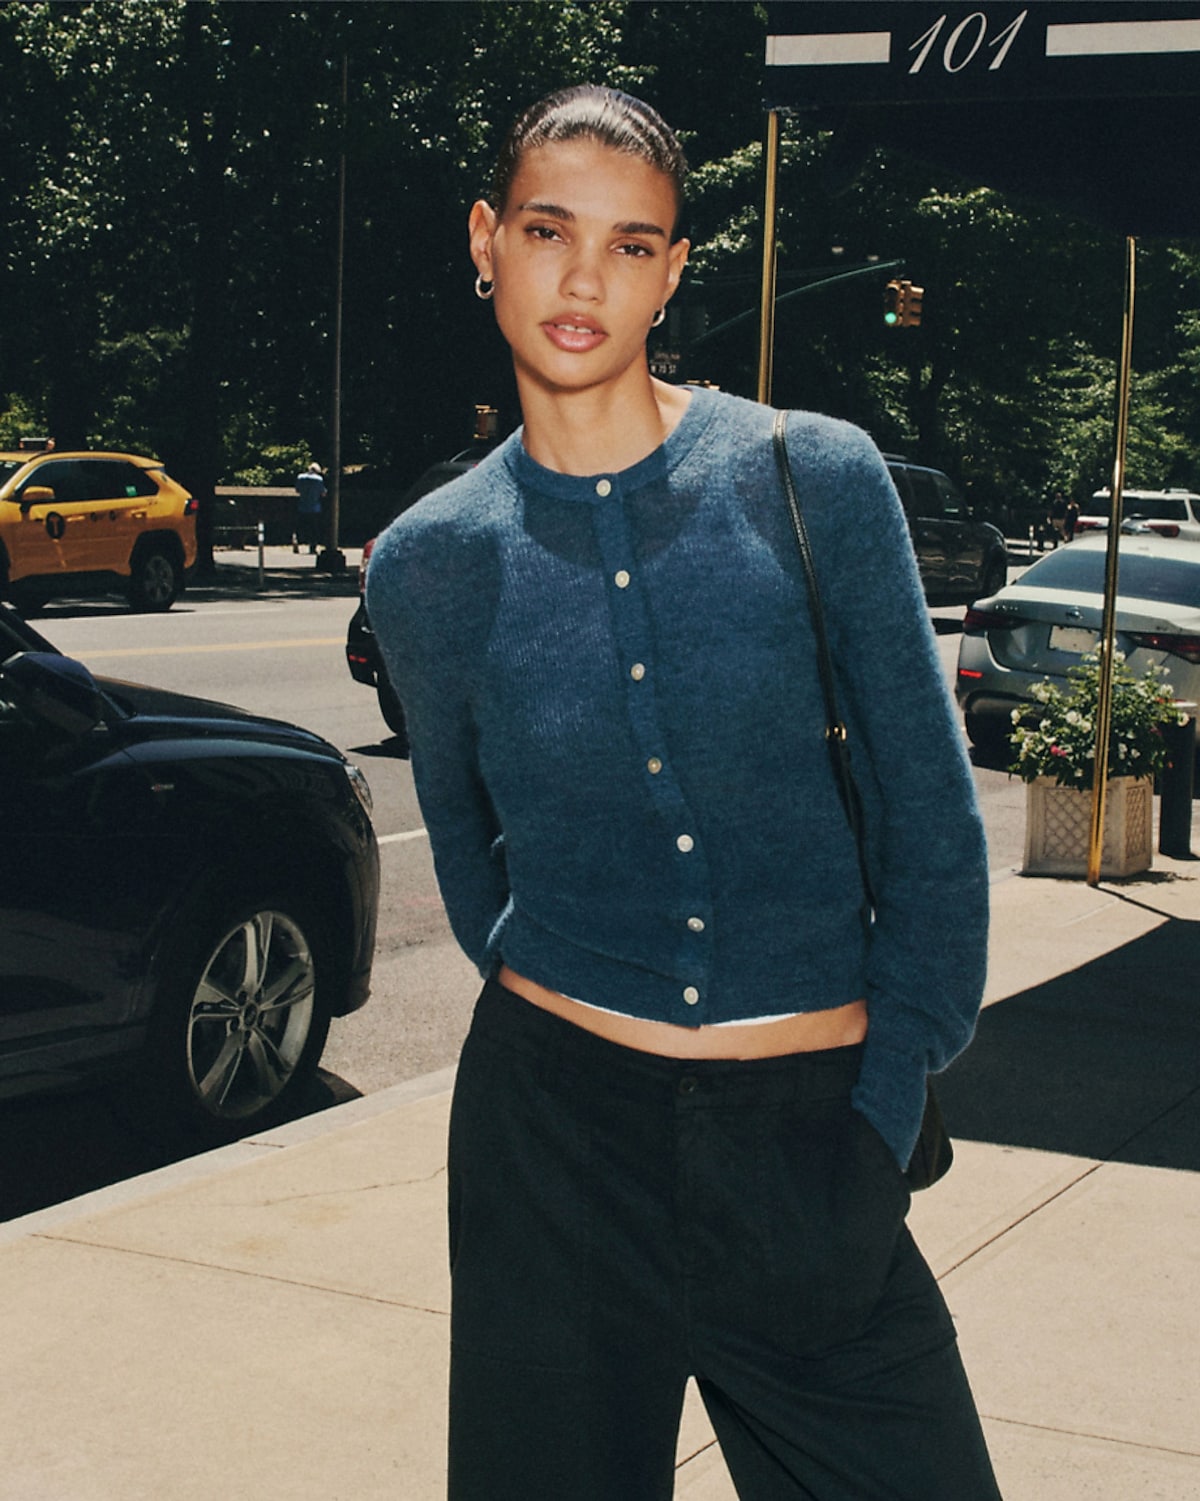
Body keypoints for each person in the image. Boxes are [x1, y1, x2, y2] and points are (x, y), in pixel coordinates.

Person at [368, 85, 1001, 1501]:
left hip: (811, 1139)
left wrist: (882, 1105)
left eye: (632, 243)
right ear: (488, 240)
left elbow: (933, 829)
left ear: (671, 271)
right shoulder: (427, 564)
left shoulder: (812, 478)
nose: (585, 277)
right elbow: (474, 873)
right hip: (554, 1158)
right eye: (547, 229)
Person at [294, 461, 326, 553]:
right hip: (314, 507)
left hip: (302, 506)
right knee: (314, 528)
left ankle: (297, 540)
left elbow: (297, 490)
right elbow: (322, 493)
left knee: (301, 526)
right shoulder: (319, 479)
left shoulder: (300, 477)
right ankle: (312, 546)